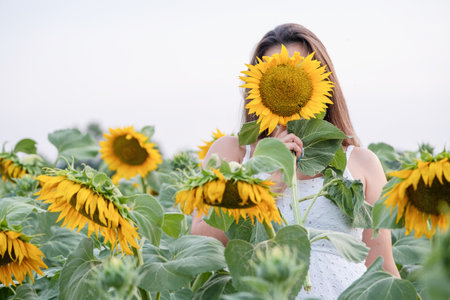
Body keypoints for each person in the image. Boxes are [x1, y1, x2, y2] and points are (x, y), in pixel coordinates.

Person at [191, 23, 400, 299]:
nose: (285, 82)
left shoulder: (361, 162)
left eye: (297, 71)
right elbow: (203, 246)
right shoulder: (234, 153)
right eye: (273, 74)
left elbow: (382, 269)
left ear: (321, 82)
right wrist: (264, 183)